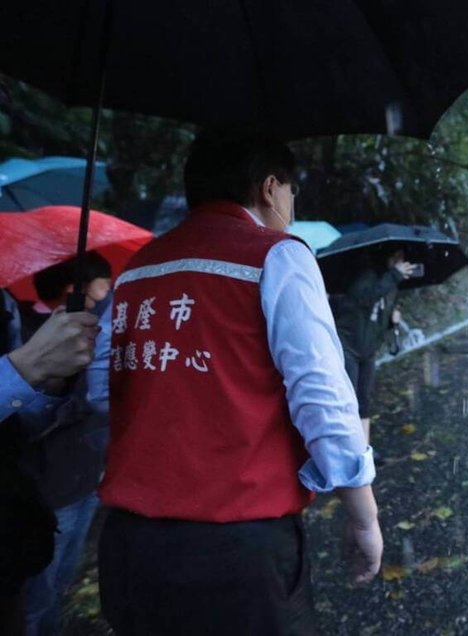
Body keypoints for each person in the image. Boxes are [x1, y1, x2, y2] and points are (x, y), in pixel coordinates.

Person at [97, 130, 382, 636]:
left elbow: (104, 394)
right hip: (237, 555)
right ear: (270, 188)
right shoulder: (277, 256)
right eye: (292, 192)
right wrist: (363, 516)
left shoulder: (136, 270)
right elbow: (321, 395)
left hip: (131, 550)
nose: (292, 206)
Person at [18, 254, 112, 636]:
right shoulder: (23, 332)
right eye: (104, 284)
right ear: (75, 291)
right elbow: (22, 422)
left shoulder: (90, 330)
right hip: (45, 487)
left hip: (83, 475)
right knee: (34, 594)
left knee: (60, 584)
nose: (108, 293)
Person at [0, 290, 99, 636]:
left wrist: (50, 383)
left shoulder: (4, 303)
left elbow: (17, 423)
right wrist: (27, 366)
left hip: (13, 534)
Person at [332, 248, 416, 447]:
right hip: (349, 346)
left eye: (402, 258)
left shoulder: (392, 284)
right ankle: (348, 449)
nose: (399, 261)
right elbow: (363, 300)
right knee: (348, 400)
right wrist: (394, 275)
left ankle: (364, 449)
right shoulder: (367, 277)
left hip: (368, 350)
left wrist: (391, 322)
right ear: (385, 256)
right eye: (395, 257)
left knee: (364, 401)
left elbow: (376, 319)